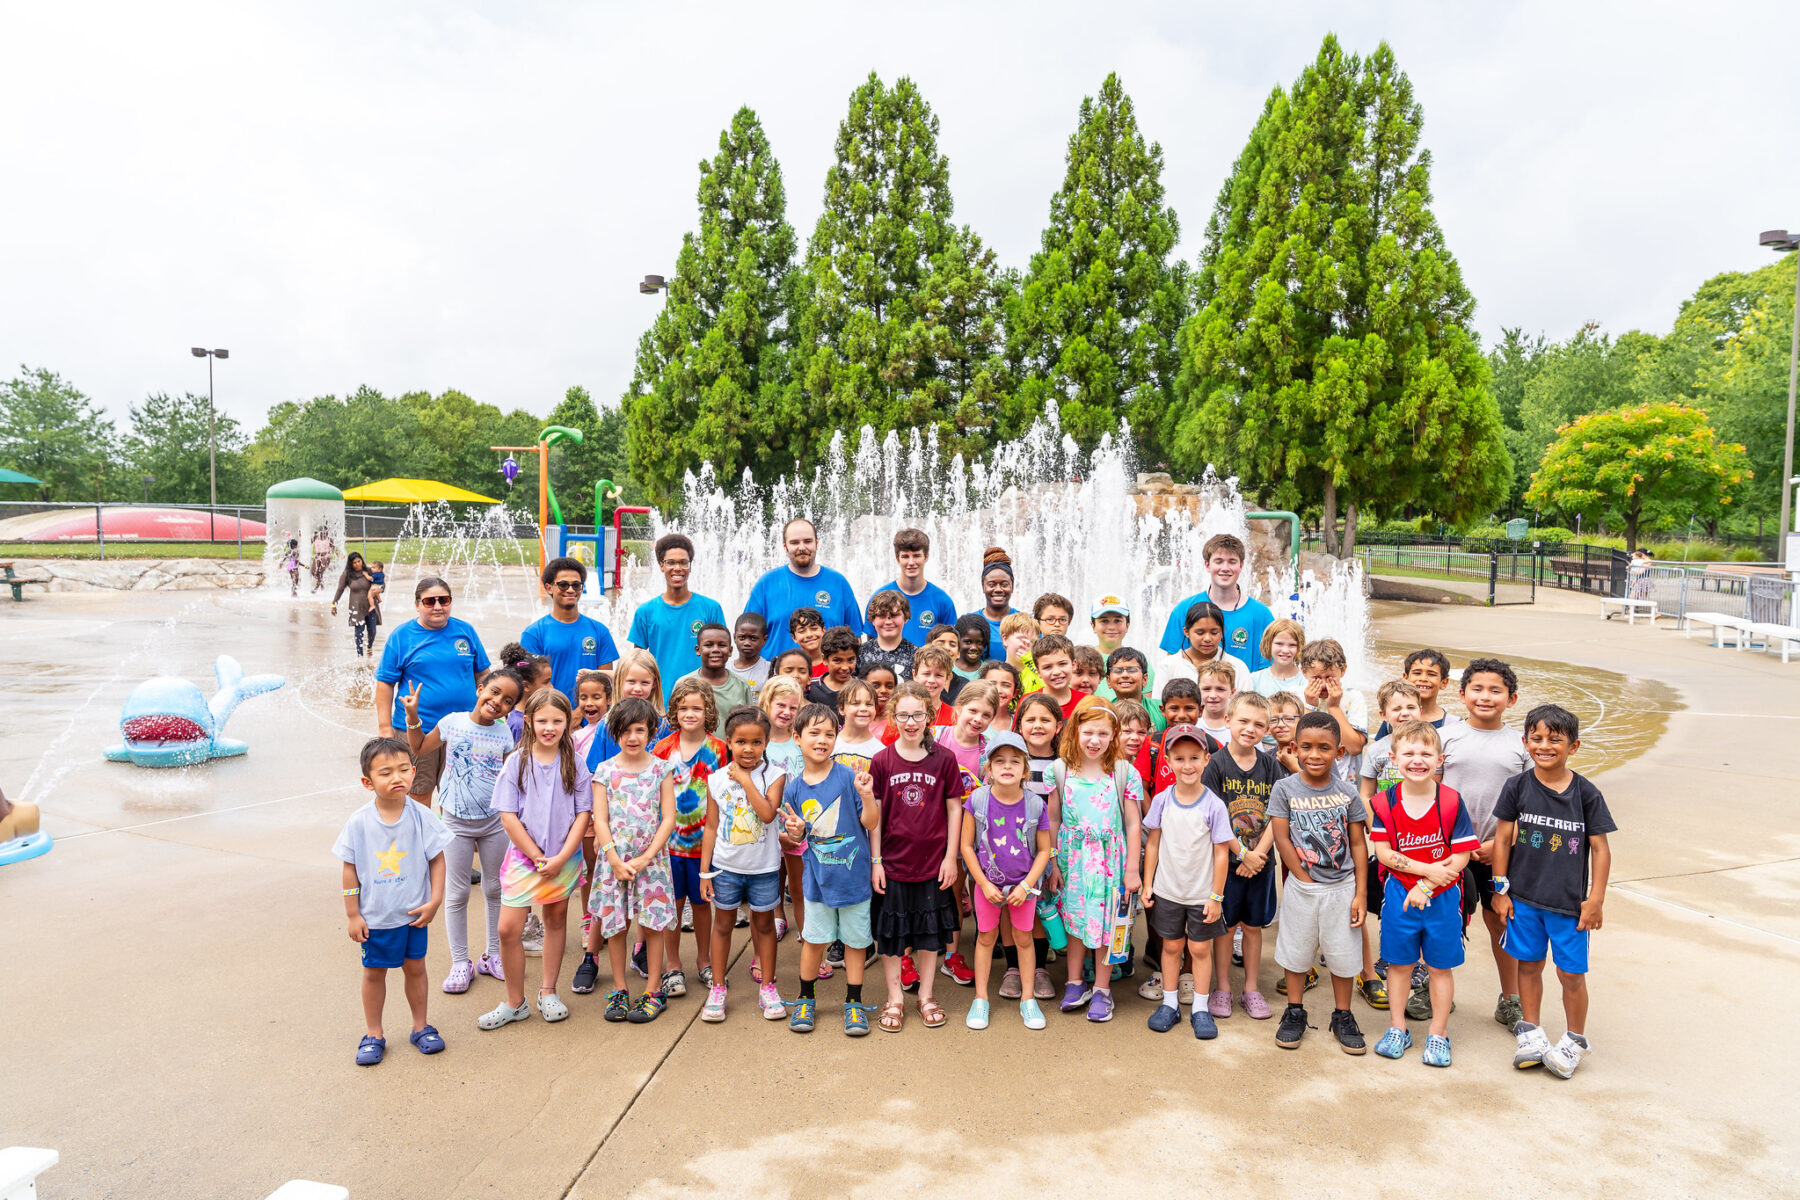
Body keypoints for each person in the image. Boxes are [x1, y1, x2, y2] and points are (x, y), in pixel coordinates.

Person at [1493, 703, 1616, 1079]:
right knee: (1529, 967)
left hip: (1568, 907)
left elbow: (1600, 848)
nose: (1545, 746)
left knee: (1571, 975)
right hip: (1524, 901)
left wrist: (1594, 900)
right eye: (1537, 738)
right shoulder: (1517, 786)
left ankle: (1575, 1039)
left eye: (1555, 739)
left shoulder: (1586, 794)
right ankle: (1531, 1034)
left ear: (1573, 746)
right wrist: (1501, 889)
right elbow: (1501, 839)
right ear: (1525, 741)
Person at [401, 669, 524, 995]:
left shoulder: (504, 735)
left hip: (494, 823)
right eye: (494, 692)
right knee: (456, 894)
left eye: (507, 700)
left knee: (495, 888)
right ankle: (460, 962)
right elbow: (419, 747)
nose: (497, 702)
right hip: (455, 822)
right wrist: (412, 715)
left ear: (511, 709)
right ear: (480, 688)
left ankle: (493, 955)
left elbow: (509, 781)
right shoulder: (452, 721)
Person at [478, 689, 593, 1031]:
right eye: (542, 720)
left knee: (556, 920)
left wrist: (561, 857)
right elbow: (508, 816)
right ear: (528, 721)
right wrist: (537, 856)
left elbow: (583, 813)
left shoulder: (575, 761)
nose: (549, 727)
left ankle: (548, 991)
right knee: (508, 928)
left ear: (568, 722)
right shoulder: (517, 761)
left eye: (557, 721)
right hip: (525, 858)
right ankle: (515, 1002)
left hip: (563, 857)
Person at [1368, 720, 1479, 1067]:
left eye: (1426, 753)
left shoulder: (1450, 801)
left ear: (1440, 759)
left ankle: (1438, 1032)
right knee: (1399, 966)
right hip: (1399, 893)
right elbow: (1384, 854)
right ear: (1393, 758)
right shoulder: (1384, 802)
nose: (1417, 760)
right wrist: (1422, 873)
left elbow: (1461, 855)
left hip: (1443, 896)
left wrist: (1428, 884)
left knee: (1439, 967)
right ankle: (1398, 1027)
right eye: (1409, 753)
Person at [337, 737, 451, 1066]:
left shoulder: (421, 815)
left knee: (416, 969)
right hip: (375, 918)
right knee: (374, 973)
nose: (396, 777)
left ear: (414, 772)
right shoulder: (359, 822)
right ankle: (373, 1033)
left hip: (413, 913)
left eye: (403, 769)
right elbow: (348, 870)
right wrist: (352, 914)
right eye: (385, 772)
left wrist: (435, 899)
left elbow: (437, 859)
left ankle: (420, 1026)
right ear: (367, 782)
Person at [1268, 711, 1370, 1054]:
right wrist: (1301, 875)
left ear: (1339, 753)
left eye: (1324, 748)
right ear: (1294, 748)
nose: (1315, 754)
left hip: (1342, 888)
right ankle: (1294, 1011)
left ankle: (1343, 1015)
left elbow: (1358, 843)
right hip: (1303, 887)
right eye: (1307, 747)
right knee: (1296, 952)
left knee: (1342, 955)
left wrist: (1361, 893)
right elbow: (1281, 838)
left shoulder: (1347, 792)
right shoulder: (1284, 788)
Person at [868, 682, 967, 1032]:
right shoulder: (882, 760)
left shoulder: (944, 758)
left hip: (932, 863)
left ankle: (925, 995)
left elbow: (955, 809)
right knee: (893, 936)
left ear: (929, 716)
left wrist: (950, 857)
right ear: (893, 716)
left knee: (927, 935)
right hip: (893, 865)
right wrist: (876, 861)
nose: (911, 722)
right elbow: (876, 815)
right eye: (903, 715)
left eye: (918, 715)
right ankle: (895, 998)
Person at [1441, 657, 1531, 1029]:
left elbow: (1532, 803)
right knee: (1444, 921)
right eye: (1477, 689)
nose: (1485, 696)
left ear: (1511, 699)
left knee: (1501, 923)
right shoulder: (1446, 737)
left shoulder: (1520, 744)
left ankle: (1510, 998)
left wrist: (1502, 844)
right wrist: (1447, 841)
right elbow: (1428, 793)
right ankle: (1431, 989)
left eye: (1496, 690)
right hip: (1447, 849)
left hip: (1500, 852)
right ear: (1462, 694)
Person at [780, 704, 881, 1036]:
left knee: (855, 942)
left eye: (828, 733)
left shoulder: (848, 777)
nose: (822, 740)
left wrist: (867, 796)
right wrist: (794, 831)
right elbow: (799, 836)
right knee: (814, 940)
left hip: (854, 878)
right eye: (814, 733)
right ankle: (805, 998)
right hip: (818, 882)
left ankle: (853, 1003)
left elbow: (870, 822)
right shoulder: (793, 788)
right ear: (797, 738)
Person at [1047, 697, 1143, 1022]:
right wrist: (1053, 862)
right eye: (1088, 732)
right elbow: (1054, 820)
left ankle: (1102, 988)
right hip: (1073, 860)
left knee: (1107, 925)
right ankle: (1075, 982)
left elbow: (1132, 822)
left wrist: (1133, 869)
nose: (1094, 741)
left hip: (1111, 860)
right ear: (1075, 731)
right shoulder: (1058, 770)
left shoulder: (1124, 772)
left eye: (1103, 734)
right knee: (1075, 920)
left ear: (1114, 734)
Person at [1142, 725, 1237, 1039]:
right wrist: (1147, 883)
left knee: (1198, 949)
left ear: (1206, 759)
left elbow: (1222, 853)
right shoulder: (1161, 800)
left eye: (1194, 757)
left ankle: (1199, 1007)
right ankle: (1169, 1003)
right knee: (1171, 947)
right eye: (1179, 758)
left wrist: (1216, 896)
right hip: (1168, 890)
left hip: (1201, 894)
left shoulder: (1214, 805)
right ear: (1168, 760)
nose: (1187, 765)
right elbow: (1152, 843)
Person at [588, 698, 679, 1024]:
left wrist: (647, 857)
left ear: (651, 732)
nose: (632, 737)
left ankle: (654, 989)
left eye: (639, 730)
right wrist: (613, 859)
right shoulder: (605, 770)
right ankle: (620, 988)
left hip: (651, 863)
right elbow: (600, 820)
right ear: (615, 733)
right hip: (614, 863)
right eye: (625, 731)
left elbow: (668, 818)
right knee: (616, 926)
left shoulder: (661, 769)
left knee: (653, 925)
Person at [698, 705, 790, 1023]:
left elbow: (767, 814)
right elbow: (710, 827)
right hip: (726, 867)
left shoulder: (776, 775)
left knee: (764, 926)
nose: (748, 749)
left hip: (763, 869)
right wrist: (705, 871)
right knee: (722, 925)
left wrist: (746, 780)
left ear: (766, 743)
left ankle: (767, 986)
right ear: (728, 741)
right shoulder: (716, 780)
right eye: (741, 742)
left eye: (756, 742)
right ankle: (719, 988)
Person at [1201, 690, 1286, 1022]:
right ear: (1228, 721)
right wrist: (1243, 854)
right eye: (1243, 721)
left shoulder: (1270, 766)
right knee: (1225, 926)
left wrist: (1258, 855)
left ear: (1266, 730)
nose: (1250, 729)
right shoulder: (1216, 765)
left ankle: (1251, 988)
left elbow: (1279, 813)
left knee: (1252, 927)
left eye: (1259, 724)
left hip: (1261, 865)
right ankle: (1223, 987)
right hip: (1227, 863)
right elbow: (1213, 815)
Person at [960, 730, 1054, 1031]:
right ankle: (981, 999)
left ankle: (1028, 999)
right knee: (986, 938)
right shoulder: (977, 800)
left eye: (1015, 761)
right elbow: (966, 846)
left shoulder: (1035, 806)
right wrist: (983, 884)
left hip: (1023, 889)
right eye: (999, 761)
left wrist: (1027, 886)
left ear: (1025, 769)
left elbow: (1043, 850)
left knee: (1024, 939)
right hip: (987, 886)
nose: (1007, 767)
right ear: (988, 768)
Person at [375, 578, 491, 804]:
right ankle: (420, 839)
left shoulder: (465, 631)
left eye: (444, 600)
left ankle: (456, 840)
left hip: (464, 732)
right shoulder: (402, 636)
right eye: (429, 601)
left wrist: (488, 711)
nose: (438, 606)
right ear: (417, 604)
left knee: (462, 796)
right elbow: (385, 683)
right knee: (419, 794)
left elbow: (484, 675)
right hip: (419, 732)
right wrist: (385, 728)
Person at [653, 678, 728, 999]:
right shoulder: (662, 749)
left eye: (697, 708)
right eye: (683, 708)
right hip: (668, 845)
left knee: (701, 904)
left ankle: (704, 960)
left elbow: (726, 795)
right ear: (674, 711)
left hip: (704, 845)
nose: (690, 713)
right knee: (672, 906)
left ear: (708, 710)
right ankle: (672, 965)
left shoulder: (719, 750)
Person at [743, 517, 866, 660]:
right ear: (785, 546)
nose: (802, 547)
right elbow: (747, 636)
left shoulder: (838, 583)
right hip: (777, 677)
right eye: (795, 542)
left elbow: (855, 638)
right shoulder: (766, 583)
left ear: (817, 543)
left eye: (807, 541)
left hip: (828, 679)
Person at [628, 534, 726, 702]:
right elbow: (638, 663)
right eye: (671, 562)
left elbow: (720, 658)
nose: (677, 568)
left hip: (700, 703)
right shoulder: (645, 612)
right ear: (661, 566)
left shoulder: (710, 608)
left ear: (690, 566)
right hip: (660, 703)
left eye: (683, 562)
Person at [1158, 532, 1274, 671]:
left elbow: (1268, 670)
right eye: (1218, 561)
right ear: (1207, 565)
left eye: (1232, 561)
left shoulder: (1261, 615)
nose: (1225, 568)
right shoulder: (1184, 609)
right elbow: (1171, 665)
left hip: (1244, 691)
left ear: (1241, 565)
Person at [522, 557, 620, 704]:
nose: (570, 590)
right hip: (550, 718)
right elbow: (531, 686)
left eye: (576, 585)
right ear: (549, 588)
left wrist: (580, 714)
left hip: (590, 716)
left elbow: (605, 683)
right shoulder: (534, 634)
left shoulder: (599, 631)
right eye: (563, 585)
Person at [876, 528, 959, 646]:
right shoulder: (880, 598)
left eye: (916, 556)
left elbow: (952, 644)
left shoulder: (942, 601)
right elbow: (872, 643)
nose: (911, 562)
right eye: (905, 556)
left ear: (926, 557)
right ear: (897, 558)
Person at [1300, 639, 1367, 780]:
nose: (1324, 685)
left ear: (1343, 671)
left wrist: (1334, 707)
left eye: (1330, 678)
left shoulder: (1353, 697)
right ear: (1304, 672)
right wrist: (1310, 707)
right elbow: (1298, 746)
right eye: (1317, 678)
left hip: (1347, 783)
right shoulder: (1298, 698)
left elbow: (1355, 748)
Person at [1154, 601, 1252, 694]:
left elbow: (1246, 707)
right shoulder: (1168, 666)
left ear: (1222, 631)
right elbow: (1158, 707)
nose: (1207, 638)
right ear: (1186, 632)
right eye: (1200, 633)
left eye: (1214, 633)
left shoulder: (1237, 667)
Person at [679, 623, 752, 732]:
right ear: (698, 650)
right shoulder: (684, 684)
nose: (715, 650)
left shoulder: (742, 686)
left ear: (730, 650)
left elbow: (748, 724)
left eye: (722, 645)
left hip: (730, 748)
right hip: (694, 749)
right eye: (709, 645)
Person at [1373, 649, 1460, 739]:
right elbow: (1380, 749)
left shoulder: (1454, 724)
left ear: (1444, 683)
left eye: (1431, 674)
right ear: (1405, 678)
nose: (1423, 678)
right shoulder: (1393, 720)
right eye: (1417, 673)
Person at [967, 546, 1020, 659]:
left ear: (1012, 587)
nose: (998, 589)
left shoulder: (1024, 623)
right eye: (992, 584)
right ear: (983, 587)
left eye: (1004, 584)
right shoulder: (968, 622)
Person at [331, 552, 383, 660]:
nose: (357, 564)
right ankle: (360, 655)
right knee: (359, 631)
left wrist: (379, 590)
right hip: (356, 607)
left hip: (370, 605)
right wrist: (334, 604)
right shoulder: (347, 574)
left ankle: (369, 647)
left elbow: (381, 582)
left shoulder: (369, 571)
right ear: (350, 564)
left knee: (372, 630)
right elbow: (340, 589)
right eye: (354, 563)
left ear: (362, 561)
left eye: (359, 561)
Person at [1100, 647, 1163, 731]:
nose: (1125, 675)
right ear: (1108, 681)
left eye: (1132, 670)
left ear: (1145, 679)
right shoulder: (1103, 713)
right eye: (1118, 670)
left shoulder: (1162, 710)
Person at [859, 590, 917, 680]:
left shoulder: (916, 656)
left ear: (905, 618)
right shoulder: (860, 654)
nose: (888, 622)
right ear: (873, 620)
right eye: (882, 616)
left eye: (894, 615)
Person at [1028, 634, 1086, 718]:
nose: (1056, 672)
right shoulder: (1027, 703)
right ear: (1039, 672)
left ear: (1073, 665)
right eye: (1047, 667)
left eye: (1062, 664)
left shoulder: (1086, 702)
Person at [832, 679, 887, 765]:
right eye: (855, 703)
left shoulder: (881, 752)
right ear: (842, 709)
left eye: (869, 704)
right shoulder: (830, 744)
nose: (863, 709)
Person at [805, 626, 862, 707]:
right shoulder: (811, 690)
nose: (845, 667)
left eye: (850, 660)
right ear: (824, 659)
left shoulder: (863, 688)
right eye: (837, 660)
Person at [1248, 618, 1305, 697]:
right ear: (1268, 644)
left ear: (1300, 647)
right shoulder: (1254, 680)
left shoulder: (1306, 681)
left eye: (1292, 645)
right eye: (1279, 644)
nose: (1285, 650)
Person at [728, 612, 771, 699]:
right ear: (734, 638)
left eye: (753, 638)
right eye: (742, 637)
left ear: (764, 640)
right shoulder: (725, 669)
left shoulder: (769, 670)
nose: (747, 643)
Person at [1195, 662, 1236, 747]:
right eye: (1206, 689)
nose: (1213, 695)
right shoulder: (1192, 723)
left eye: (1220, 689)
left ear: (1232, 692)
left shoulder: (1240, 725)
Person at [1002, 613, 1044, 694]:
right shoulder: (996, 673)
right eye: (1021, 639)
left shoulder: (1040, 672)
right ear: (1005, 639)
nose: (1027, 643)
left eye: (1032, 641)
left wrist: (1030, 661)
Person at [979, 660, 1021, 733]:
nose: (998, 690)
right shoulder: (974, 720)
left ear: (1015, 693)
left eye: (1006, 685)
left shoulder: (1020, 723)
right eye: (992, 684)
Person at [953, 613, 991, 682]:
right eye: (968, 642)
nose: (974, 647)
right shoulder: (948, 670)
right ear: (957, 640)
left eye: (979, 642)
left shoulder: (989, 671)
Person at [788, 608, 828, 675]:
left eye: (814, 629)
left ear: (823, 631)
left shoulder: (835, 663)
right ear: (794, 637)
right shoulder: (789, 667)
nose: (809, 635)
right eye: (802, 631)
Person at [310, 525, 335, 593]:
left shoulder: (329, 539)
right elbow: (308, 542)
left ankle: (316, 588)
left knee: (320, 572)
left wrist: (338, 554)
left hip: (326, 556)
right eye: (323, 532)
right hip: (317, 556)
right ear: (319, 532)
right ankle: (321, 583)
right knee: (313, 571)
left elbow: (333, 548)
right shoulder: (315, 538)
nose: (324, 533)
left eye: (326, 532)